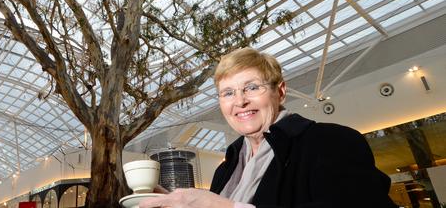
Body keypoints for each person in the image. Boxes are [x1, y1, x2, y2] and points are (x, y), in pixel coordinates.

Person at [139, 47, 397, 208]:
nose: (240, 101)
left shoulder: (330, 142)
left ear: (280, 91)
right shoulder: (225, 169)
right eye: (228, 93)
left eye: (252, 87)